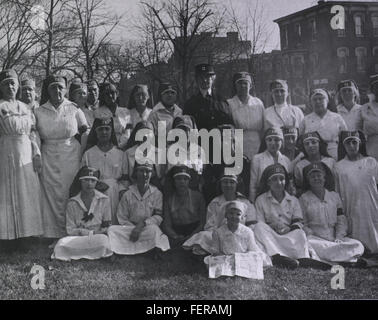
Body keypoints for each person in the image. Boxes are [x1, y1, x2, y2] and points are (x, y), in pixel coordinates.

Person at [35, 75, 88, 239]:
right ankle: (53, 234)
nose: (57, 91)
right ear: (47, 90)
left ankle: (71, 230)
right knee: (51, 193)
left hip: (71, 154)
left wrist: (82, 153)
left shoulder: (74, 108)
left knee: (68, 191)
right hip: (48, 154)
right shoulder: (38, 111)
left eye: (60, 87)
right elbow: (34, 135)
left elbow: (85, 131)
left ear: (65, 90)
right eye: (53, 87)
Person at [253, 164, 330, 270]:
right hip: (271, 236)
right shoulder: (261, 200)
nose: (279, 182)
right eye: (274, 179)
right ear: (268, 182)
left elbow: (298, 222)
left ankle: (302, 259)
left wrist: (289, 228)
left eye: (282, 179)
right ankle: (277, 257)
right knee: (259, 228)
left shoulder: (293, 200)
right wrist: (272, 226)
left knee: (300, 233)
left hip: (288, 235)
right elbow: (260, 222)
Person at [0, 69, 43, 244]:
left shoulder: (26, 108)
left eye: (13, 83)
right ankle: (8, 237)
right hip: (7, 150)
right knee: (8, 191)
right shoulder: (1, 106)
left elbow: (32, 133)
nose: (10, 86)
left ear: (18, 86)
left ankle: (28, 234)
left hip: (26, 151)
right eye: (6, 84)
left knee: (27, 190)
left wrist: (37, 153)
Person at [299, 162, 364, 264]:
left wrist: (339, 237)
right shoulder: (304, 198)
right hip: (316, 238)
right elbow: (303, 223)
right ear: (308, 181)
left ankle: (330, 257)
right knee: (311, 244)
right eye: (313, 177)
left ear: (324, 178)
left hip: (334, 238)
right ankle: (346, 258)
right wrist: (311, 233)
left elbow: (341, 219)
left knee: (358, 245)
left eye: (319, 175)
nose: (316, 178)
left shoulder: (334, 196)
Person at [183, 170, 257, 255]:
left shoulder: (245, 202)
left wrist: (238, 232)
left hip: (241, 235)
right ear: (220, 184)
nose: (228, 185)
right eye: (225, 182)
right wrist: (222, 232)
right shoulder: (214, 203)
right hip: (221, 235)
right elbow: (209, 226)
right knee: (203, 235)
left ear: (236, 185)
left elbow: (252, 224)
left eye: (232, 182)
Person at [107, 162, 170, 255]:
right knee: (112, 230)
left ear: (152, 174)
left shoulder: (157, 193)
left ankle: (125, 248)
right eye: (141, 171)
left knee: (154, 231)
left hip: (146, 228)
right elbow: (122, 216)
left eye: (148, 171)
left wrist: (142, 225)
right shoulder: (128, 193)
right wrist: (133, 228)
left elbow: (158, 216)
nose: (144, 174)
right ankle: (147, 249)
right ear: (136, 173)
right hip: (129, 229)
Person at [52, 167, 113, 261]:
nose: (89, 184)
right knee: (61, 243)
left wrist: (97, 233)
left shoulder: (104, 200)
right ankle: (94, 253)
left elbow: (106, 226)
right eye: (86, 180)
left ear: (96, 182)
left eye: (93, 180)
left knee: (104, 242)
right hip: (79, 238)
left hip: (97, 237)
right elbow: (70, 230)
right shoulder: (72, 203)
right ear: (80, 181)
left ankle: (82, 252)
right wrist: (87, 233)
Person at [335, 131, 378, 255]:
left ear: (360, 144)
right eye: (348, 143)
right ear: (344, 146)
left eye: (355, 142)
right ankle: (359, 251)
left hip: (371, 204)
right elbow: (338, 190)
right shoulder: (339, 166)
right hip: (351, 204)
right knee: (355, 228)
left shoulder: (371, 162)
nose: (352, 146)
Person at [81, 118, 126, 224]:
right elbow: (83, 177)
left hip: (114, 193)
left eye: (107, 129)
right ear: (95, 132)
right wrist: (95, 185)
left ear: (111, 132)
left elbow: (125, 178)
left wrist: (121, 191)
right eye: (100, 129)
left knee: (113, 222)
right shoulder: (89, 153)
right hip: (94, 192)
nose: (104, 132)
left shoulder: (120, 154)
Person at [204, 200, 272, 268]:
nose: (234, 216)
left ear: (242, 217)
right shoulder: (218, 232)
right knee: (210, 261)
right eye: (231, 213)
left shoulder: (247, 231)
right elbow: (215, 250)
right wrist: (225, 257)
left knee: (255, 257)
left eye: (238, 214)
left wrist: (242, 257)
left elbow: (253, 248)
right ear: (225, 215)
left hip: (242, 258)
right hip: (225, 258)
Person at [162, 165, 206, 247]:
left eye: (185, 179)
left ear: (189, 181)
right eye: (178, 179)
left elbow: (203, 222)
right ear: (174, 181)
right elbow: (166, 224)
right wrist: (175, 236)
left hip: (194, 231)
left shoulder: (198, 196)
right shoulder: (169, 199)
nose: (182, 182)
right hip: (176, 232)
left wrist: (191, 236)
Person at [300, 88, 347, 160]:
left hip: (335, 153)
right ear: (311, 103)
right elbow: (301, 140)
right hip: (314, 156)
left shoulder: (337, 117)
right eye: (314, 99)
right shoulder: (306, 120)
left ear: (327, 101)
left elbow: (345, 137)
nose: (318, 101)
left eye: (321, 99)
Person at [227, 72, 264, 161]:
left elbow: (263, 127)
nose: (243, 86)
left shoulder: (258, 103)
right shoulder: (229, 103)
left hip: (256, 142)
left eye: (245, 83)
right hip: (238, 142)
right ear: (235, 86)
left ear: (250, 86)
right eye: (240, 83)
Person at [183, 63, 233, 131]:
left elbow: (230, 125)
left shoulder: (222, 101)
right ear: (196, 80)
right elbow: (187, 130)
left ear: (213, 78)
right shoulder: (189, 105)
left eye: (207, 77)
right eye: (201, 77)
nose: (204, 80)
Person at [249, 127, 291, 203]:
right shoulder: (257, 159)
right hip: (263, 199)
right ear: (265, 141)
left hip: (282, 199)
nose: (273, 143)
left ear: (282, 141)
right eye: (269, 140)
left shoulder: (286, 160)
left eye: (276, 140)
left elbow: (288, 184)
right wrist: (252, 202)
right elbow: (253, 185)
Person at [122, 120, 164, 190]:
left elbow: (162, 178)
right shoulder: (128, 153)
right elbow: (125, 178)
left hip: (156, 190)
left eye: (148, 132)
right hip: (134, 189)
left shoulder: (160, 153)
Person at [94, 83, 131, 149]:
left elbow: (128, 131)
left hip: (125, 147)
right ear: (103, 96)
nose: (110, 96)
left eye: (112, 92)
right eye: (107, 94)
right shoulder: (97, 113)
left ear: (117, 93)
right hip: (106, 148)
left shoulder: (126, 112)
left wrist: (121, 145)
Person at [361, 74, 378, 161]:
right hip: (372, 148)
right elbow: (359, 129)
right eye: (376, 86)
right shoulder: (364, 108)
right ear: (372, 89)